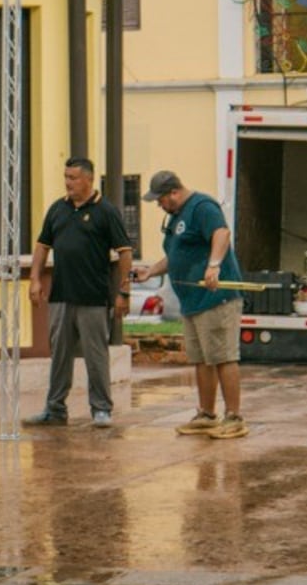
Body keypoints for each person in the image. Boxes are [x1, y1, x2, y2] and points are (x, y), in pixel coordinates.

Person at [133, 169, 247, 438]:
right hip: (192, 302)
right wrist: (150, 271)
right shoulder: (175, 218)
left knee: (223, 356)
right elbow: (176, 256)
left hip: (215, 298)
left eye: (160, 199)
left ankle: (234, 417)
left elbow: (221, 234)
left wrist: (214, 266)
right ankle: (207, 414)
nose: (158, 205)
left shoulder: (202, 207)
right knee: (201, 359)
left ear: (173, 192)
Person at [27, 157, 132, 428]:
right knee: (59, 355)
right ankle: (55, 409)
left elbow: (125, 252)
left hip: (93, 298)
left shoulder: (106, 211)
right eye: (66, 177)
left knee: (95, 355)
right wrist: (35, 278)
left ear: (88, 179)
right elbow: (42, 246)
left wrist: (124, 291)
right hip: (61, 295)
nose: (68, 183)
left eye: (73, 178)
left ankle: (101, 409)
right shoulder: (57, 209)